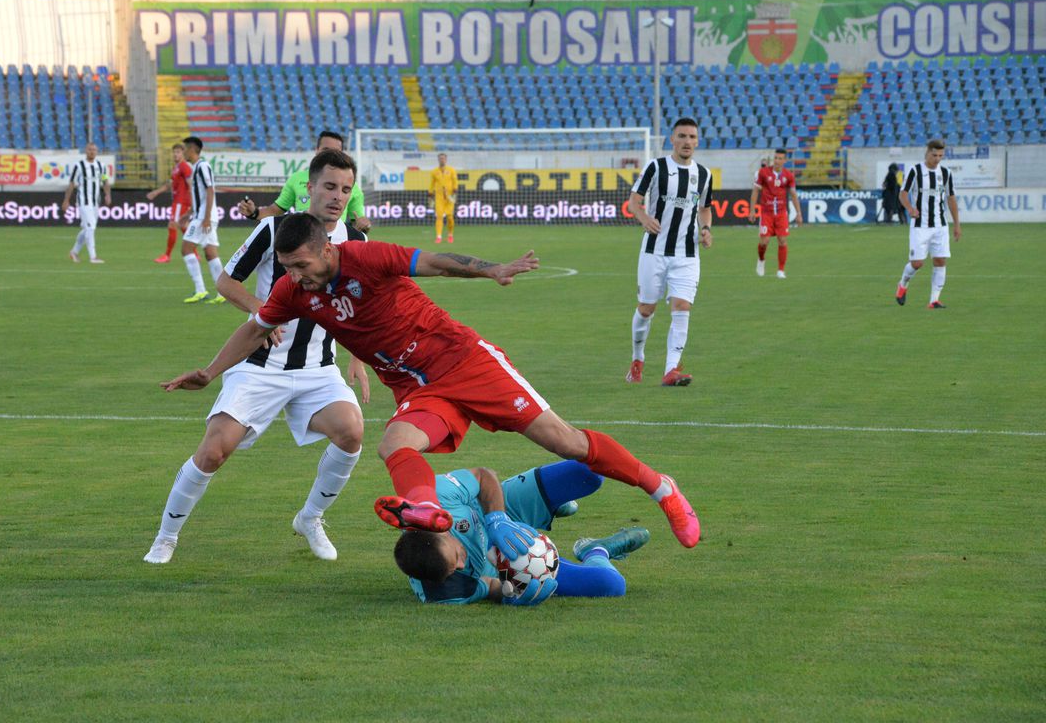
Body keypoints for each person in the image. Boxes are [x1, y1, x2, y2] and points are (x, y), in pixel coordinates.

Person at [161, 157, 701, 559]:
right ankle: (427, 511)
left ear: (327, 247)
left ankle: (662, 488)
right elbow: (254, 328)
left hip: (465, 361)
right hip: (420, 389)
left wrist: (489, 269)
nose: (293, 275)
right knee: (394, 442)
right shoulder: (293, 291)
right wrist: (210, 372)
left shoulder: (366, 257)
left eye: (300, 263)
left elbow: (435, 261)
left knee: (565, 442)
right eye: (287, 266)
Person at [144, 149, 370, 565]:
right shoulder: (273, 228)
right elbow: (227, 281)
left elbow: (358, 305)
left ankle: (310, 518)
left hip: (318, 368)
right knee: (214, 451)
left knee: (351, 431)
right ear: (310, 187)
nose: (338, 197)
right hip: (259, 365)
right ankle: (165, 537)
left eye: (346, 190)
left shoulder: (356, 242)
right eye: (330, 187)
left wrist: (357, 357)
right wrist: (260, 310)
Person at [393, 461, 650, 606]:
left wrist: (497, 519)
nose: (462, 564)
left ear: (440, 529)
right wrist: (511, 592)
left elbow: (484, 475)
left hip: (500, 509)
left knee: (591, 472)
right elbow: (491, 586)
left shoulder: (437, 497)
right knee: (612, 585)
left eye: (456, 556)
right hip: (512, 561)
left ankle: (547, 507)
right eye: (454, 569)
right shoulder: (443, 591)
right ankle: (595, 549)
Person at [625, 118, 713, 387]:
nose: (687, 141)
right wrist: (643, 218)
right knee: (646, 308)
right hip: (654, 250)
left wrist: (706, 228)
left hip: (686, 253)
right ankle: (637, 359)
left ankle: (671, 369)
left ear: (697, 142)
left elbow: (705, 208)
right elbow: (634, 201)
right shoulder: (656, 167)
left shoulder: (704, 174)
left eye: (692, 137)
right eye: (682, 136)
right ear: (672, 140)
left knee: (682, 305)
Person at [239, 130, 371, 233]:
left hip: (335, 245)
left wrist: (363, 226)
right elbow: (275, 210)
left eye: (335, 151)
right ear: (316, 150)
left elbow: (358, 222)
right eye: (326, 150)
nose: (329, 154)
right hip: (299, 239)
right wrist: (254, 213)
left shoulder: (352, 186)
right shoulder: (296, 179)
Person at [895, 139, 961, 309]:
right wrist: (910, 208)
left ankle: (934, 300)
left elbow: (951, 198)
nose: (937, 159)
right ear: (927, 153)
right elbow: (903, 194)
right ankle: (902, 284)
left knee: (940, 261)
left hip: (940, 225)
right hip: (920, 225)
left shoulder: (946, 174)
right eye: (934, 155)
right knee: (917, 263)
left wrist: (957, 224)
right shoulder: (915, 171)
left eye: (940, 155)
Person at [178, 136, 226, 305]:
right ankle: (223, 292)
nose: (183, 152)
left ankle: (200, 290)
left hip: (204, 218)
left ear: (192, 149)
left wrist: (205, 218)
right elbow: (201, 196)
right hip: (202, 216)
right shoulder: (196, 167)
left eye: (185, 149)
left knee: (186, 249)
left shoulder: (202, 166)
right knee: (210, 253)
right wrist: (188, 213)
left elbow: (210, 190)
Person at [748, 147, 802, 279]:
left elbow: (793, 195)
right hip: (767, 213)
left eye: (780, 158)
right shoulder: (763, 173)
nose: (777, 161)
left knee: (782, 240)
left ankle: (781, 270)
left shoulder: (788, 176)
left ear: (785, 160)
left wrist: (799, 213)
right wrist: (752, 210)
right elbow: (755, 191)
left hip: (781, 213)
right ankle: (761, 260)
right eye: (775, 158)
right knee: (764, 241)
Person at [62, 142, 111, 264]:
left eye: (94, 150)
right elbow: (72, 184)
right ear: (86, 151)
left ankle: (74, 252)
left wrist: (108, 194)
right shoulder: (79, 166)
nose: (92, 152)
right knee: (91, 227)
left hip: (95, 202)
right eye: (90, 149)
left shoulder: (101, 166)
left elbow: (105, 181)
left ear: (97, 151)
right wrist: (66, 200)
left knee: (87, 229)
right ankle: (93, 257)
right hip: (84, 201)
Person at [147, 143, 193, 263]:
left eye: (178, 152)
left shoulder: (184, 166)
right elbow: (170, 185)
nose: (175, 154)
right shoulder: (176, 167)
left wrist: (193, 201)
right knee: (183, 227)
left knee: (172, 225)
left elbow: (190, 184)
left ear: (183, 153)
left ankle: (167, 255)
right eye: (174, 152)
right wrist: (156, 192)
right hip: (178, 201)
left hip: (181, 202)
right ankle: (195, 253)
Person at [429, 152, 458, 244]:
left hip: (449, 196)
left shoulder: (451, 170)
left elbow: (454, 181)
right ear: (438, 160)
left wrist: (455, 189)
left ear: (446, 159)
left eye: (443, 158)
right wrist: (430, 192)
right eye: (440, 158)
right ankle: (438, 236)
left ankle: (450, 234)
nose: (442, 160)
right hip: (439, 197)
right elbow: (432, 183)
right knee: (439, 216)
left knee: (450, 217)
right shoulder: (434, 171)